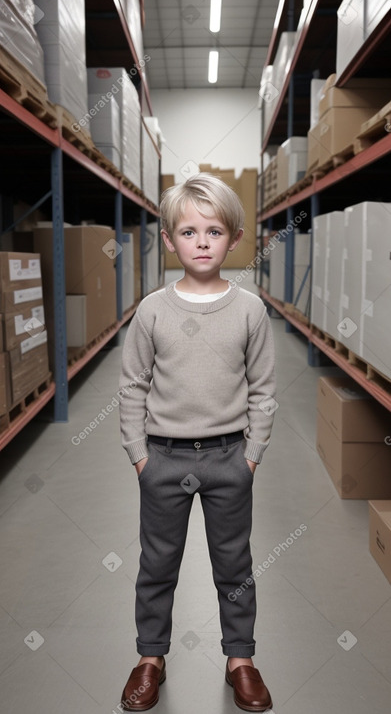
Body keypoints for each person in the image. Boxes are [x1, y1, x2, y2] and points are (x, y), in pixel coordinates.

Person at [118, 172, 276, 712]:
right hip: (162, 458)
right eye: (188, 231)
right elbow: (133, 384)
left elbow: (263, 388)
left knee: (234, 564)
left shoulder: (250, 310)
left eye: (214, 230)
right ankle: (150, 658)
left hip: (231, 458)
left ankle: (241, 659)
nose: (202, 241)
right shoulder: (153, 310)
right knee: (157, 563)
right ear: (168, 239)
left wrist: (251, 456)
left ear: (234, 238)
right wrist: (139, 455)